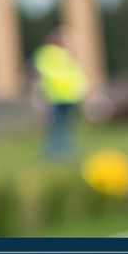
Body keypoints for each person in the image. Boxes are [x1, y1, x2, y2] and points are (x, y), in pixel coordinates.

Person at [33, 28, 88, 160]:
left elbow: (75, 74)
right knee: (58, 126)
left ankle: (64, 150)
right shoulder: (51, 54)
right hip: (57, 96)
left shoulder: (62, 54)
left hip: (68, 96)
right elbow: (47, 73)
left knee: (64, 125)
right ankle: (55, 152)